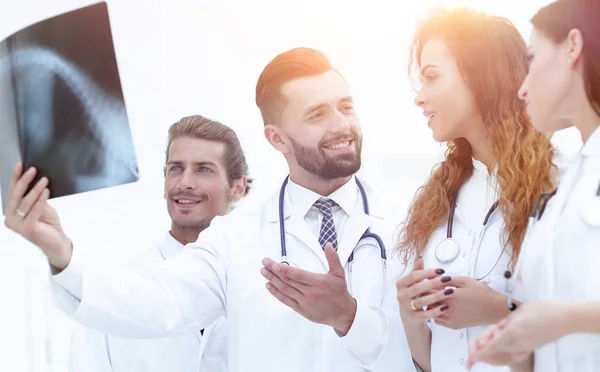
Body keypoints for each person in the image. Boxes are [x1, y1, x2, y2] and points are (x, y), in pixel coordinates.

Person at [3, 47, 415, 372]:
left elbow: (437, 355)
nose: (341, 125)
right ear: (277, 138)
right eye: (317, 114)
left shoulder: (410, 227)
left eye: (345, 106)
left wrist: (348, 317)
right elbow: (156, 300)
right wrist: (60, 253)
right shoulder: (235, 240)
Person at [392, 8, 571, 372]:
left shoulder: (564, 186)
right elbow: (433, 361)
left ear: (481, 77)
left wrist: (499, 310)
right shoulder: (438, 200)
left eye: (431, 77)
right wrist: (411, 315)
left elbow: (584, 339)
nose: (419, 97)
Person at [466, 0, 600, 371]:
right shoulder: (561, 189)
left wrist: (563, 320)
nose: (522, 90)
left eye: (531, 60)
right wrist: (518, 347)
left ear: (573, 47)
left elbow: (561, 318)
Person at [66, 114, 251, 372]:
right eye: (176, 168)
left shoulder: (263, 288)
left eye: (203, 169)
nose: (185, 183)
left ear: (238, 188)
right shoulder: (112, 294)